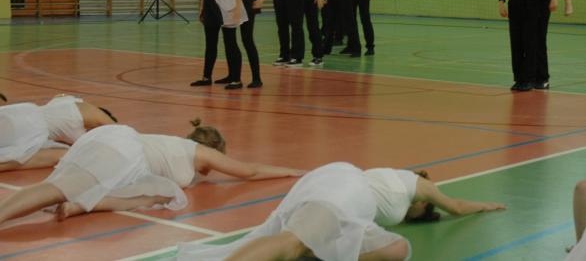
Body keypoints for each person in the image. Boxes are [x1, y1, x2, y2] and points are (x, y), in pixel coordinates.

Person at [177, 161, 505, 261]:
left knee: (399, 249)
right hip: (343, 190)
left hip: (351, 207)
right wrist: (486, 205)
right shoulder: (418, 186)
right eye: (428, 208)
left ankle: (312, 249)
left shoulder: (390, 189)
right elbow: (456, 206)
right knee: (292, 242)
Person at [0, 120, 304, 225]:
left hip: (117, 145)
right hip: (123, 151)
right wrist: (292, 171)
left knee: (161, 193)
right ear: (214, 151)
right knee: (55, 189)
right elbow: (249, 172)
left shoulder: (173, 147)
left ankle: (81, 204)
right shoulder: (201, 154)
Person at [1, 94, 117, 172]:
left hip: (25, 114)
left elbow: (61, 98)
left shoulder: (69, 100)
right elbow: (120, 133)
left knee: (63, 154)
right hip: (30, 128)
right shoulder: (94, 113)